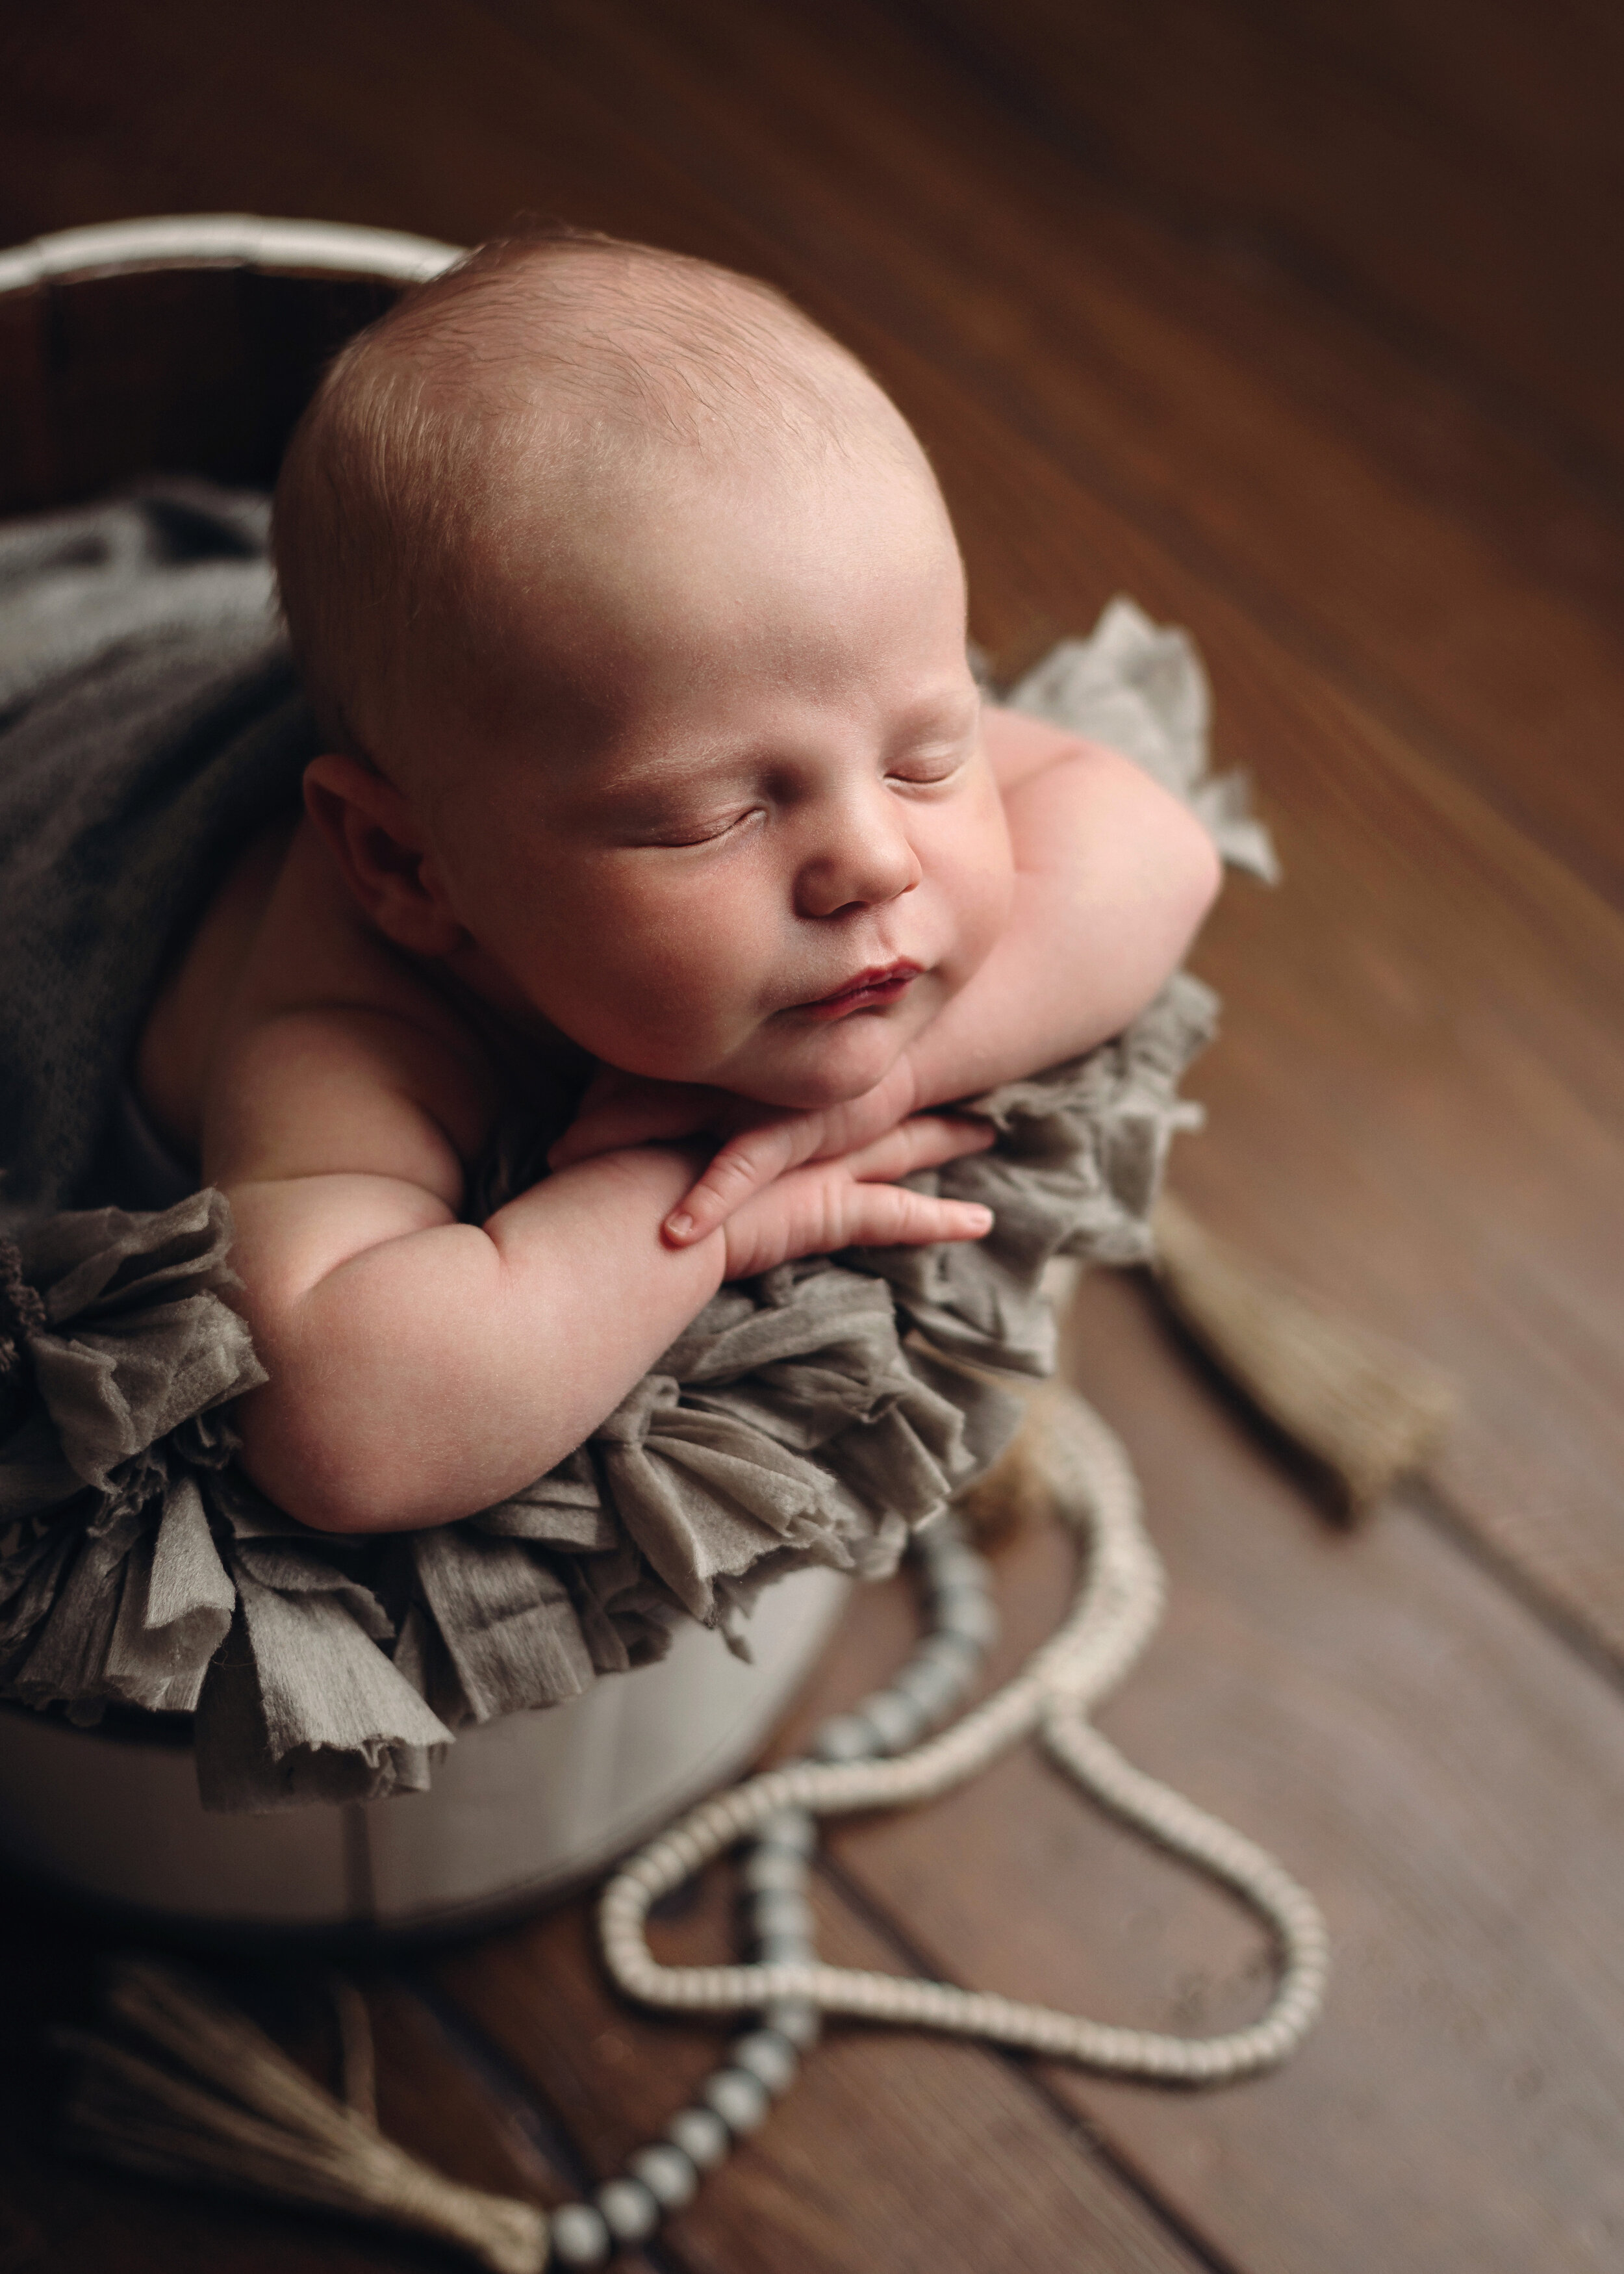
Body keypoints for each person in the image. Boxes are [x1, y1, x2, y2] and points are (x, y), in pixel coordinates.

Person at [133, 229, 1219, 1537]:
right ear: (410, 865)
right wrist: (691, 1210)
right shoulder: (353, 1021)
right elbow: (340, 1430)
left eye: (930, 754)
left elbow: (1157, 851)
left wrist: (868, 1096)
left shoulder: (791, 692)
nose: (874, 860)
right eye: (715, 817)